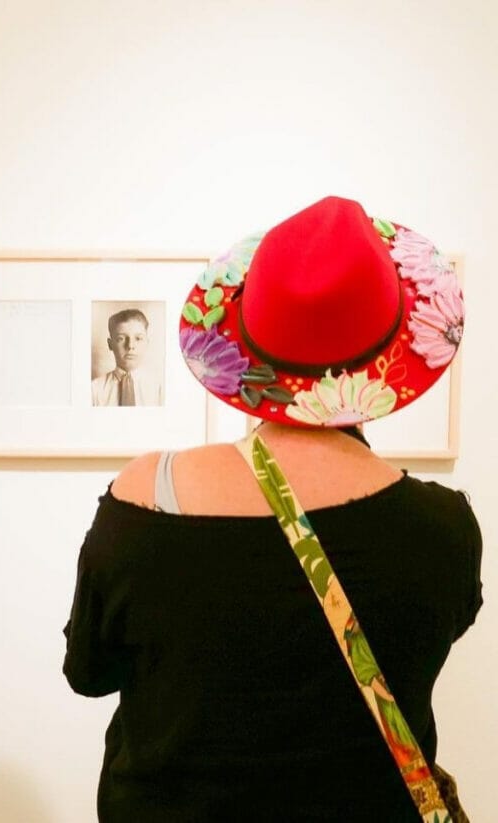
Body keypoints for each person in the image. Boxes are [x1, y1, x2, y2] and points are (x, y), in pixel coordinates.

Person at [64, 196, 482, 821]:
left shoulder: (146, 493)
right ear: (392, 352)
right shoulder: (444, 527)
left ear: (247, 351)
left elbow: (89, 672)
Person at [91, 308, 162, 407]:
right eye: (121, 338)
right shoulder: (94, 390)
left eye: (138, 338)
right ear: (110, 344)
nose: (130, 346)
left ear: (147, 343)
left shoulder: (159, 388)